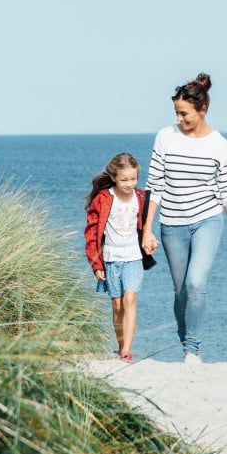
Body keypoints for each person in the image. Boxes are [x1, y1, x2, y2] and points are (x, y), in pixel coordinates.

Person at [141, 72, 227, 365]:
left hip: (207, 221)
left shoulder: (220, 145)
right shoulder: (165, 137)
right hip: (171, 224)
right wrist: (147, 229)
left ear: (202, 110)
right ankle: (185, 341)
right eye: (177, 113)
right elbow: (156, 184)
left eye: (185, 113)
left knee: (195, 283)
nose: (180, 119)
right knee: (180, 293)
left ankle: (193, 350)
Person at [84, 152, 149, 363]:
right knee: (117, 305)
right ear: (113, 177)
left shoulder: (141, 198)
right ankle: (121, 345)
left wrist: (151, 238)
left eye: (133, 178)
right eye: (124, 179)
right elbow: (92, 233)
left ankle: (127, 351)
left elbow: (146, 226)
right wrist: (96, 264)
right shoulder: (103, 199)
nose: (130, 184)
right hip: (111, 258)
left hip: (133, 257)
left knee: (130, 299)